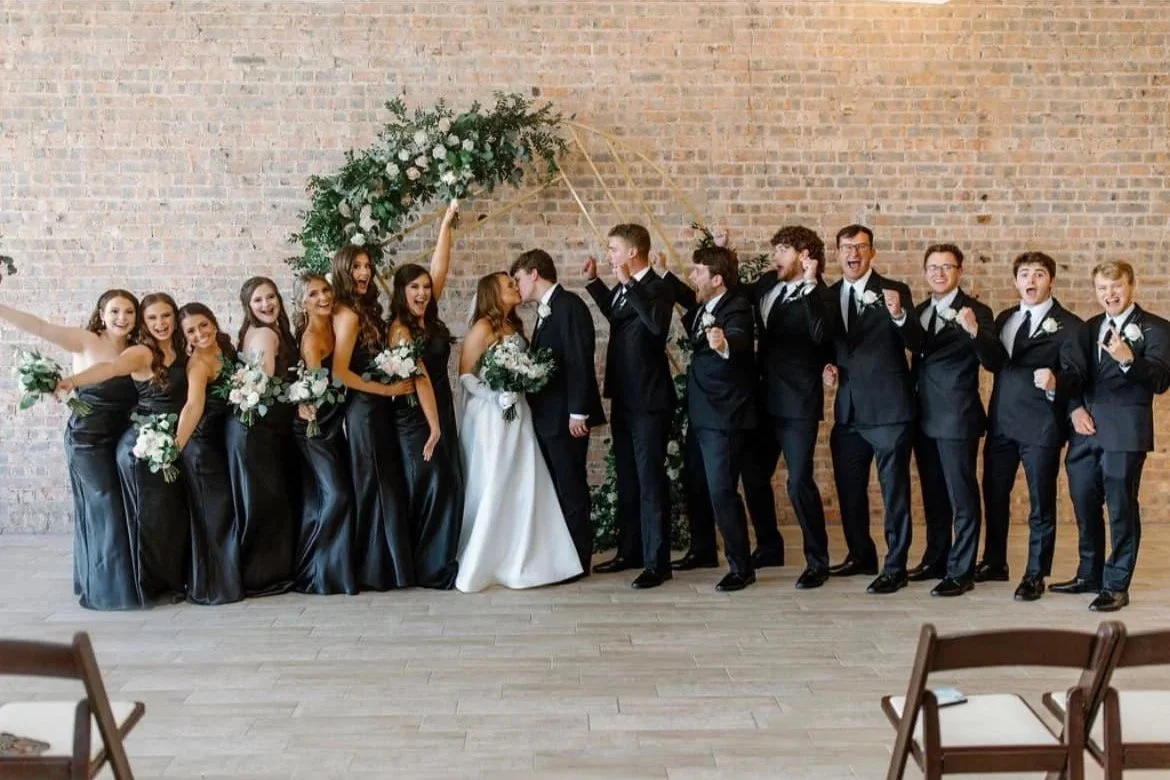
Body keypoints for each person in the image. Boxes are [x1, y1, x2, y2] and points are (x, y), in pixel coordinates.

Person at [1, 285, 140, 610]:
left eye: (129, 311)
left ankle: (121, 580)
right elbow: (39, 327)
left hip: (121, 435)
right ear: (102, 315)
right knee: (103, 502)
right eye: (115, 311)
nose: (123, 317)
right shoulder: (85, 340)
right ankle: (108, 590)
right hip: (88, 437)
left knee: (122, 503)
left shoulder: (138, 348)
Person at [1053, 261, 1170, 611]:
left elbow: (1161, 381)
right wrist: (1073, 408)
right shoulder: (1088, 329)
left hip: (1125, 432)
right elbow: (1074, 374)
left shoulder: (1157, 328)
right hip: (1085, 431)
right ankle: (1089, 573)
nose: (1110, 294)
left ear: (1131, 286)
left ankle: (1116, 583)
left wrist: (1128, 360)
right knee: (1084, 502)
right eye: (1102, 288)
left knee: (1120, 508)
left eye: (1116, 286)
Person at [456, 272, 583, 592]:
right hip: (492, 416)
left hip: (520, 412)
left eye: (515, 282)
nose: (515, 286)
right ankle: (489, 558)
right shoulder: (482, 328)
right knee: (497, 480)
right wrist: (495, 396)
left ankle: (529, 554)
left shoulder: (516, 325)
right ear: (492, 293)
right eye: (508, 284)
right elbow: (465, 376)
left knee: (525, 482)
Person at [60, 292, 191, 605]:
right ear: (144, 325)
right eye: (153, 318)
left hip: (170, 438)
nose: (161, 323)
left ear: (175, 316)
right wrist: (72, 380)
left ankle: (166, 579)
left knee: (165, 515)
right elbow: (110, 369)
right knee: (140, 514)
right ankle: (135, 585)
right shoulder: (141, 353)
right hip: (141, 445)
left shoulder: (186, 349)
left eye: (166, 316)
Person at [823, 225, 924, 594]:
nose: (854, 253)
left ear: (872, 253)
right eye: (847, 247)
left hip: (888, 410)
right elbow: (828, 345)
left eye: (861, 247)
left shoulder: (894, 292)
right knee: (850, 489)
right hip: (848, 410)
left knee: (893, 491)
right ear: (837, 254)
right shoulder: (830, 296)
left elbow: (916, 342)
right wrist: (827, 366)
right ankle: (860, 554)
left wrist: (899, 316)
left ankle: (895, 566)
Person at [978, 251, 1082, 601]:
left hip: (1041, 426)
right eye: (1024, 274)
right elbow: (995, 363)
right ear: (1015, 281)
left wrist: (1056, 382)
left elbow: (1078, 376)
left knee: (1041, 503)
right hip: (1002, 424)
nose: (1031, 281)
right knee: (993, 494)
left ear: (1050, 280)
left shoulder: (1070, 324)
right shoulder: (1006, 317)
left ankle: (1036, 573)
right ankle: (994, 561)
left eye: (1038, 274)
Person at [907, 245, 1005, 597]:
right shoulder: (918, 312)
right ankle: (936, 558)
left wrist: (975, 331)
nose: (939, 273)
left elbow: (994, 361)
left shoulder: (977, 310)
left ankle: (961, 570)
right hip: (923, 417)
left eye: (946, 267)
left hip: (957, 417)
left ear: (959, 271)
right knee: (933, 495)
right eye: (932, 267)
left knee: (961, 494)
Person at [583, 224, 676, 589]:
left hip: (650, 401)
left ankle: (658, 563)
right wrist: (595, 284)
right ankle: (631, 550)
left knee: (650, 480)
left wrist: (629, 285)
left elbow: (655, 326)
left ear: (633, 252)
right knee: (627, 477)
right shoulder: (626, 290)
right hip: (624, 397)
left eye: (613, 249)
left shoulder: (658, 287)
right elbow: (618, 316)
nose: (609, 255)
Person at [662, 246, 758, 591]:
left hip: (725, 417)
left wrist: (723, 344)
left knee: (722, 492)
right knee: (697, 484)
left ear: (717, 279)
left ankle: (741, 567)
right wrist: (662, 274)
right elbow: (689, 302)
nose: (693, 278)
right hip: (701, 414)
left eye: (698, 272)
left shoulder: (737, 308)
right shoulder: (707, 305)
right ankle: (703, 549)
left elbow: (740, 339)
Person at [511, 248, 606, 577]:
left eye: (519, 279)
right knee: (559, 488)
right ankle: (563, 558)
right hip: (549, 416)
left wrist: (578, 412)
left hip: (566, 418)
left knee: (572, 487)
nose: (517, 286)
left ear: (534, 273)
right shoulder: (545, 310)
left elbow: (580, 358)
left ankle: (579, 562)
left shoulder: (569, 305)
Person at [330, 245, 419, 590]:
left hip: (376, 410)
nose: (364, 273)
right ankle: (378, 571)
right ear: (343, 270)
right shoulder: (348, 315)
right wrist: (386, 390)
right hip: (365, 411)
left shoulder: (360, 309)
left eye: (367, 266)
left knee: (386, 484)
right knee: (376, 486)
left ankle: (389, 567)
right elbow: (339, 373)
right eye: (356, 267)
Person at [226, 276, 299, 597]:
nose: (267, 304)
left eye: (271, 297)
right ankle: (263, 577)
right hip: (259, 429)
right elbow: (266, 381)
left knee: (263, 499)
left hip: (262, 426)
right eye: (258, 300)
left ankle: (262, 572)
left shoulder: (255, 332)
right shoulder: (267, 334)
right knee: (266, 502)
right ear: (248, 306)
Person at [290, 273, 357, 595]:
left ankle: (332, 571)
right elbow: (317, 388)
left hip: (332, 423)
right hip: (314, 428)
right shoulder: (311, 340)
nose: (322, 298)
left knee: (331, 496)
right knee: (336, 495)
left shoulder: (335, 325)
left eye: (325, 290)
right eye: (313, 294)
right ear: (303, 303)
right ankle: (314, 571)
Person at [174, 302, 244, 605]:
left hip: (218, 444)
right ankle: (212, 588)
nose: (199, 333)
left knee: (223, 513)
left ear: (213, 323)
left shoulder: (226, 351)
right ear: (185, 336)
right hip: (200, 448)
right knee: (213, 515)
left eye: (203, 325)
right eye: (191, 330)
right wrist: (176, 448)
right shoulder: (199, 364)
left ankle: (226, 581)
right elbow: (192, 407)